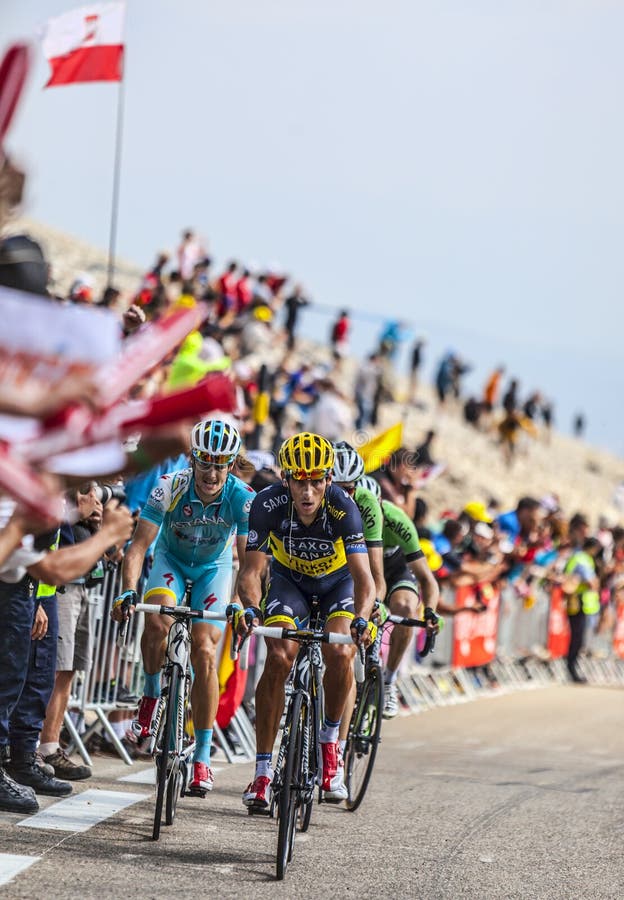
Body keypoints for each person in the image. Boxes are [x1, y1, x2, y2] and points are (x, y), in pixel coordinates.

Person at [111, 420, 254, 797]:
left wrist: (240, 603)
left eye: (221, 464)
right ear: (193, 460)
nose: (212, 473)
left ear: (231, 465)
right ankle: (151, 695)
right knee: (157, 618)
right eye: (205, 462)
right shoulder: (169, 487)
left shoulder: (242, 497)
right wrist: (128, 591)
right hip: (171, 561)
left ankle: (203, 756)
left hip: (213, 568)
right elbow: (139, 547)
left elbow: (250, 563)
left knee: (205, 650)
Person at [235, 433, 376, 809]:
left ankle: (330, 744)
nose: (308, 491)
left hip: (337, 586)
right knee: (279, 658)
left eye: (317, 480)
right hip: (289, 583)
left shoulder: (344, 507)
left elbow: (365, 580)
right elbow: (250, 573)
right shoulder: (267, 504)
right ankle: (263, 772)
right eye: (300, 480)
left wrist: (362, 618)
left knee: (340, 649)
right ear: (286, 479)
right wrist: (250, 608)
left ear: (329, 479)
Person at [0, 501, 133, 814]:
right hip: (15, 588)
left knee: (19, 679)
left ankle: (19, 761)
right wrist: (106, 535)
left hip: (24, 586)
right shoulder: (21, 493)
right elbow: (53, 567)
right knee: (7, 682)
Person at [356, 474, 440, 717]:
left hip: (395, 571)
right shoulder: (346, 519)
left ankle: (389, 679)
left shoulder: (398, 521)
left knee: (404, 607)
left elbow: (427, 579)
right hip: (361, 572)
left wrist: (430, 611)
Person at [282, 284, 309, 350]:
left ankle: (289, 346)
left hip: (294, 320)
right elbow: (286, 302)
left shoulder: (297, 300)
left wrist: (304, 295)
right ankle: (287, 345)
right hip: (289, 319)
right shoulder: (291, 299)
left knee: (290, 333)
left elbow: (306, 303)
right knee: (287, 332)